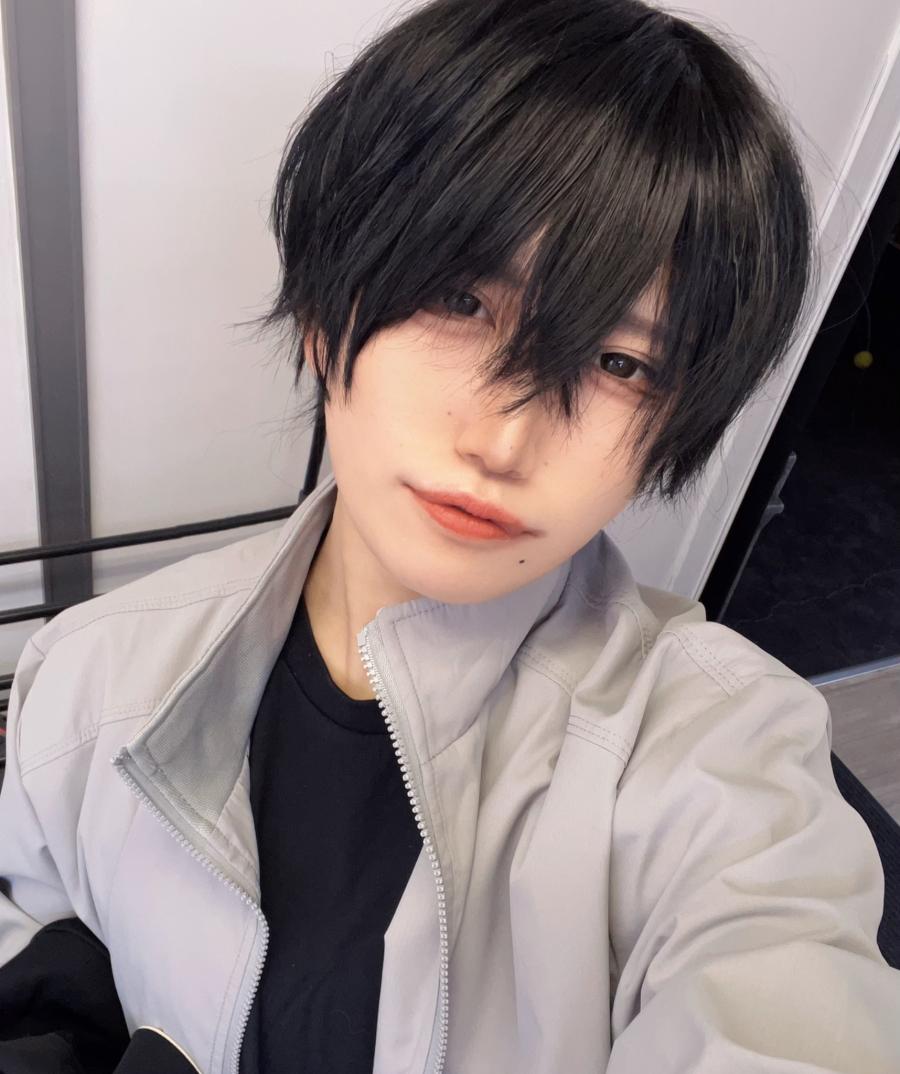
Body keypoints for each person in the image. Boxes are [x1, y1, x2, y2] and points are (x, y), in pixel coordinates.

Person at [1, 0, 899, 1071]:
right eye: (461, 302)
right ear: (327, 308)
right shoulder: (89, 675)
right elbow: (39, 950)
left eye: (620, 364)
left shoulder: (725, 759)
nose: (506, 438)